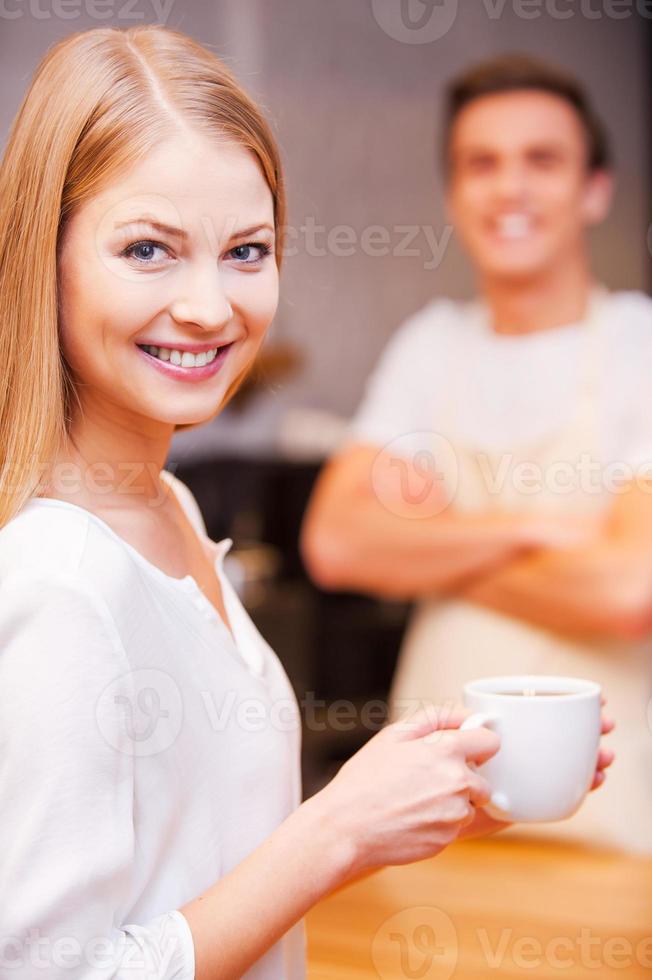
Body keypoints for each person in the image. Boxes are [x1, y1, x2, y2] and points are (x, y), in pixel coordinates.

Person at [0, 26, 614, 980]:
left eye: (246, 251)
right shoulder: (56, 582)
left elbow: (202, 866)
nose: (209, 304)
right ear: (46, 257)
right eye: (149, 249)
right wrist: (336, 828)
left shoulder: (164, 510)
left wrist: (399, 807)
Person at [301, 54, 648, 854]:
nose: (510, 189)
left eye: (543, 160)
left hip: (613, 803)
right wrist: (539, 532)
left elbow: (631, 590)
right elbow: (337, 541)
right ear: (455, 195)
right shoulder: (430, 347)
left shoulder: (639, 345)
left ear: (595, 189)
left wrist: (426, 549)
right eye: (481, 164)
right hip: (433, 801)